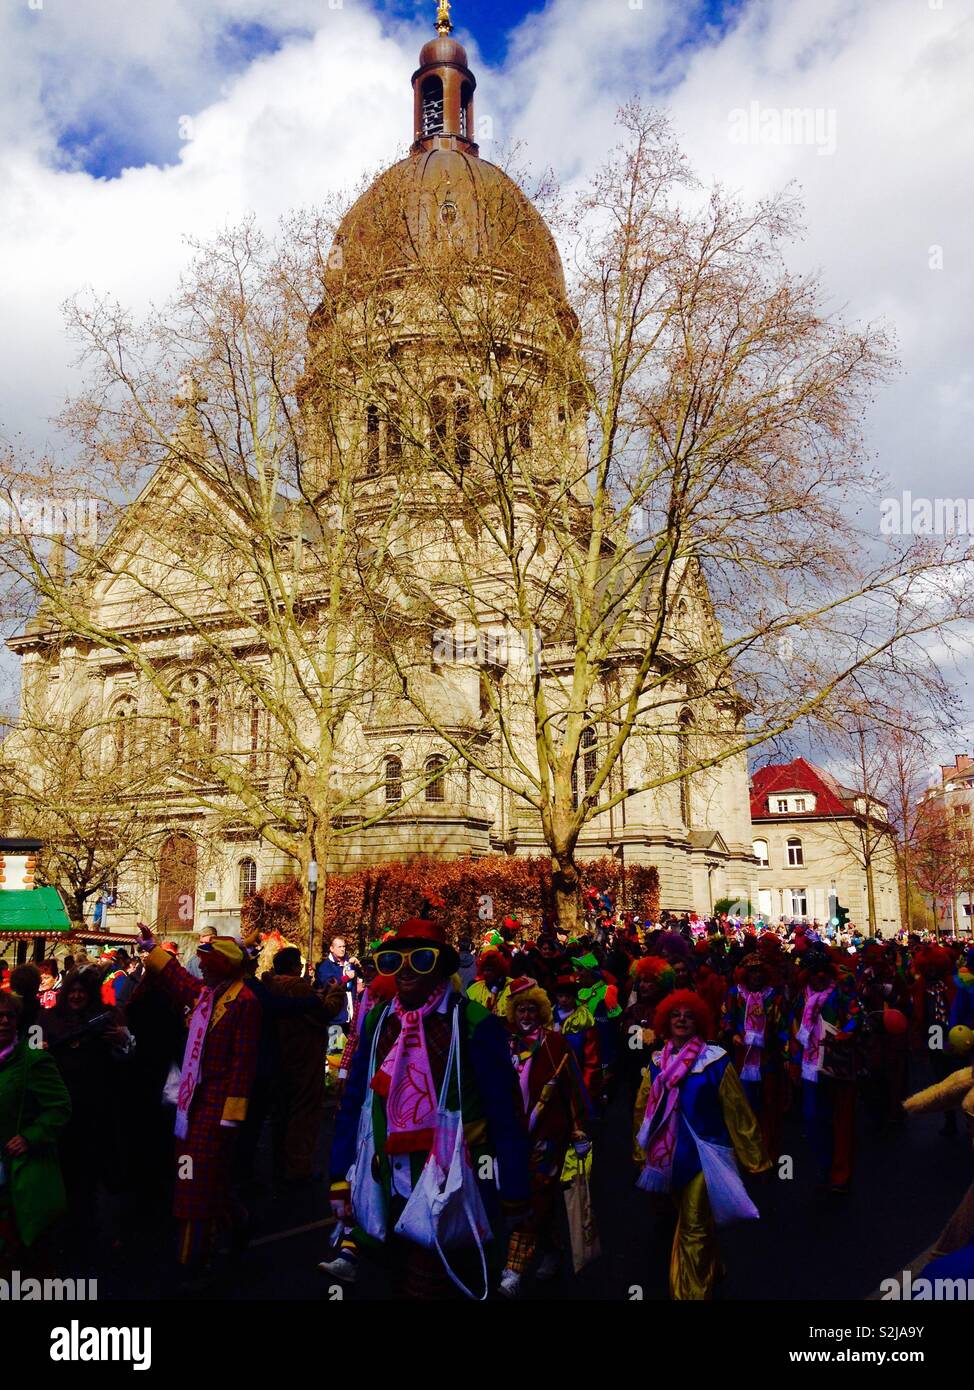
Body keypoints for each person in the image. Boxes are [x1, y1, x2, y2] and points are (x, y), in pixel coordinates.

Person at [328, 911, 530, 1298]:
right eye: (392, 961)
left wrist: (514, 1187)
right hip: (386, 1180)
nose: (403, 971)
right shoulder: (378, 1022)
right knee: (394, 1278)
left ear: (441, 966)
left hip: (454, 1183)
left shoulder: (473, 1023)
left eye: (420, 959)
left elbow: (505, 1113)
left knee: (440, 1284)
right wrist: (340, 1172)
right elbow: (354, 1102)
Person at [136, 922, 261, 1286]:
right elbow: (177, 978)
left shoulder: (245, 1003)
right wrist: (151, 947)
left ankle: (189, 1260)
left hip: (218, 1108)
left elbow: (244, 1062)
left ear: (223, 965)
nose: (200, 966)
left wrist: (232, 1117)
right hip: (191, 1103)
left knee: (196, 1184)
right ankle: (237, 1221)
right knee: (199, 1178)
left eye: (207, 961)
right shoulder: (207, 994)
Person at [634, 989, 769, 1300]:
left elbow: (738, 1113)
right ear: (666, 1021)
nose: (682, 1019)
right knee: (694, 1220)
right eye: (676, 1015)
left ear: (699, 1022)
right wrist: (640, 1152)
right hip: (668, 1158)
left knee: (693, 1226)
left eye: (689, 1015)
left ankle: (691, 1293)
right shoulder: (657, 1063)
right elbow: (644, 1112)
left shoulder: (716, 1062)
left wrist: (755, 1159)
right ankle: (711, 1267)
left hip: (706, 1155)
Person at [498, 978, 590, 1297]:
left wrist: (579, 1128)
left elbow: (573, 1088)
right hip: (512, 1137)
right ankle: (551, 1249)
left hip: (548, 1135)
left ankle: (513, 1269)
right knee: (536, 1202)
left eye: (532, 1009)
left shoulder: (555, 1045)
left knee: (535, 1196)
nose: (526, 1014)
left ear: (541, 1012)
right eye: (521, 1008)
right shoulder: (505, 1044)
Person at [41, 969, 135, 1255]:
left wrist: (122, 1041)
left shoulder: (106, 1017)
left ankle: (90, 1229)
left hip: (97, 1110)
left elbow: (126, 1057)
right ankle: (67, 1229)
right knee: (65, 1172)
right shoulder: (50, 1019)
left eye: (81, 991)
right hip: (63, 1110)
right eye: (72, 991)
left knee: (91, 1173)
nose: (76, 995)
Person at [0, 990, 72, 1274]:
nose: (4, 1021)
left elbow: (61, 1107)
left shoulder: (34, 1061)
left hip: (19, 1172)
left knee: (20, 1250)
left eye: (10, 1016)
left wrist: (31, 1136)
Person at [791, 946, 860, 1193]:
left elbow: (856, 1014)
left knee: (841, 1120)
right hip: (810, 1066)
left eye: (823, 971)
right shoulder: (802, 996)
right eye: (814, 972)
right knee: (812, 1119)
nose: (819, 976)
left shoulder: (840, 991)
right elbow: (795, 1027)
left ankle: (840, 1174)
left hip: (837, 1064)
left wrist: (847, 1031)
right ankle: (824, 1167)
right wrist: (794, 1060)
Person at [315, 934, 362, 1028]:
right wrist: (346, 978)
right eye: (339, 947)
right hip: (335, 1018)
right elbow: (330, 986)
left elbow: (361, 979)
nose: (342, 949)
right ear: (331, 949)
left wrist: (359, 967)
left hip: (352, 1015)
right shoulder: (325, 967)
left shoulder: (349, 962)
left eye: (344, 946)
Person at [466, 947, 513, 1017]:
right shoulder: (475, 989)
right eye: (484, 970)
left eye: (489, 970)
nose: (485, 973)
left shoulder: (511, 987)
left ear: (498, 970)